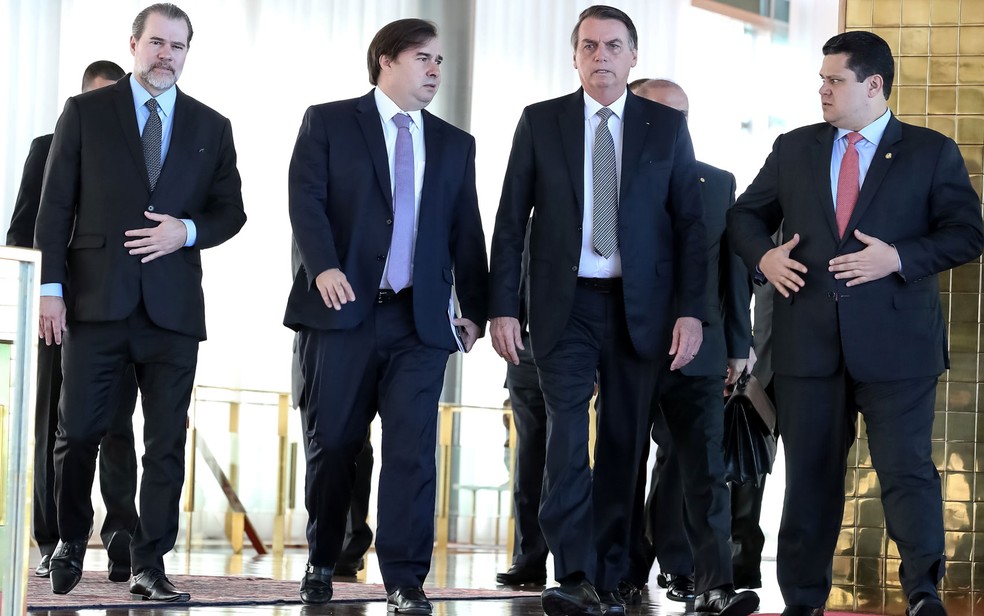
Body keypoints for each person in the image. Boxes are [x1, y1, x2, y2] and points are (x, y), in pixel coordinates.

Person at [490, 7, 754, 616]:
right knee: (564, 442)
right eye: (589, 46)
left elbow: (691, 228)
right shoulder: (541, 121)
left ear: (633, 56)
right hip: (565, 307)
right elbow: (509, 222)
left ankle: (611, 576)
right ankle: (573, 574)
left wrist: (692, 312)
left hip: (642, 313)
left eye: (613, 46)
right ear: (574, 56)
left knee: (621, 444)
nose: (600, 56)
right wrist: (504, 308)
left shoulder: (664, 128)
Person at [727, 30, 984, 616]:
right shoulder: (794, 148)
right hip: (807, 347)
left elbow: (968, 234)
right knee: (809, 483)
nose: (823, 89)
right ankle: (803, 602)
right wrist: (764, 257)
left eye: (834, 80)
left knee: (905, 473)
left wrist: (898, 257)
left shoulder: (929, 151)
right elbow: (743, 214)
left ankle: (923, 592)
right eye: (821, 79)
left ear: (874, 85)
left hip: (898, 348)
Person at [35, 2, 246, 602]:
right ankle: (72, 538)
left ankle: (152, 563)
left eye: (177, 47)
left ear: (187, 53)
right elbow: (55, 209)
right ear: (134, 45)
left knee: (164, 444)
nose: (166, 56)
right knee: (77, 432)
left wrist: (187, 230)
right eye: (157, 43)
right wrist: (51, 290)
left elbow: (231, 212)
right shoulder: (85, 113)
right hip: (96, 301)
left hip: (173, 309)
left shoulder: (212, 126)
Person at [284, 18, 489, 614]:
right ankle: (324, 557)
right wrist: (321, 266)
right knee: (336, 444)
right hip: (343, 311)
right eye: (423, 58)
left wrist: (473, 309)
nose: (434, 71)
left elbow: (466, 230)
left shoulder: (455, 144)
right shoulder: (329, 121)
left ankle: (404, 577)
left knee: (411, 451)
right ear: (385, 61)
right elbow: (306, 198)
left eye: (439, 62)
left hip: (419, 322)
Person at [7, 60, 141, 584]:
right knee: (56, 428)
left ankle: (119, 536)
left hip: (119, 312)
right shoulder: (48, 147)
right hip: (57, 313)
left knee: (117, 427)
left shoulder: (143, 150)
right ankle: (51, 538)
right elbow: (23, 232)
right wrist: (46, 295)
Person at [621, 79, 754, 607]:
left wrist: (738, 347)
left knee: (699, 465)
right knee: (622, 461)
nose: (676, 124)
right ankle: (621, 571)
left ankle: (711, 582)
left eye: (683, 113)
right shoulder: (602, 177)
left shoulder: (717, 182)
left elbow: (732, 274)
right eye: (661, 113)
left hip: (701, 348)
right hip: (626, 345)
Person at [290, 241, 374, 578]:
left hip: (361, 335)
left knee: (352, 450)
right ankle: (325, 548)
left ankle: (348, 546)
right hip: (321, 337)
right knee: (322, 451)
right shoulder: (312, 220)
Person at [496, 221, 549, 587]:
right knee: (528, 460)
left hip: (584, 356)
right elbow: (511, 281)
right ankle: (528, 558)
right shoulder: (528, 227)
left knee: (573, 463)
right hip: (527, 354)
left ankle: (579, 563)